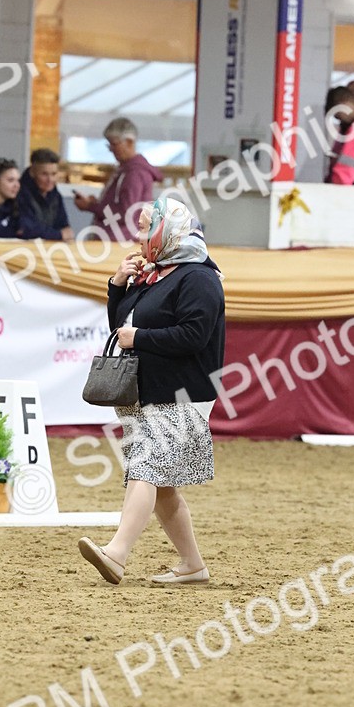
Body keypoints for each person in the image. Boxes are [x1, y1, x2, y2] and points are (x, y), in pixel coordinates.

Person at [77, 197, 225, 586]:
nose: (138, 236)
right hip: (149, 391)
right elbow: (121, 330)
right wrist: (117, 285)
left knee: (145, 471)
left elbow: (194, 335)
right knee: (162, 488)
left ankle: (117, 554)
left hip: (182, 393)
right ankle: (193, 565)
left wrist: (140, 336)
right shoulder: (155, 274)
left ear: (166, 231)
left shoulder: (199, 277)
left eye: (145, 228)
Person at [73, 117, 163, 241]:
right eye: (109, 144)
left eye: (114, 144)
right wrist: (97, 204)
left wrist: (91, 206)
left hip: (120, 240)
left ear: (130, 142)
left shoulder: (134, 173)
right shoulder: (127, 170)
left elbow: (126, 213)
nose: (111, 150)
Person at [17, 148, 73, 241]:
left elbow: (64, 226)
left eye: (54, 174)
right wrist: (59, 235)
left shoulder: (55, 195)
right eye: (44, 174)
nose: (50, 180)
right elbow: (26, 229)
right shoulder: (19, 193)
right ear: (32, 172)